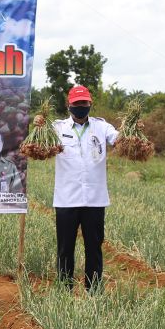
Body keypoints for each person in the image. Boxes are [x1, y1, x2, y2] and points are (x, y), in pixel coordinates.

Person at [52, 85, 118, 291]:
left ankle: (94, 291)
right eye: (77, 104)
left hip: (95, 200)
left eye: (84, 103)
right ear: (69, 105)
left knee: (94, 248)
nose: (81, 107)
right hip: (66, 199)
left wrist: (134, 131)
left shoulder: (101, 127)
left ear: (90, 104)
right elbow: (40, 142)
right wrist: (38, 126)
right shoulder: (57, 128)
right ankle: (64, 291)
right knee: (65, 249)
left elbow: (118, 138)